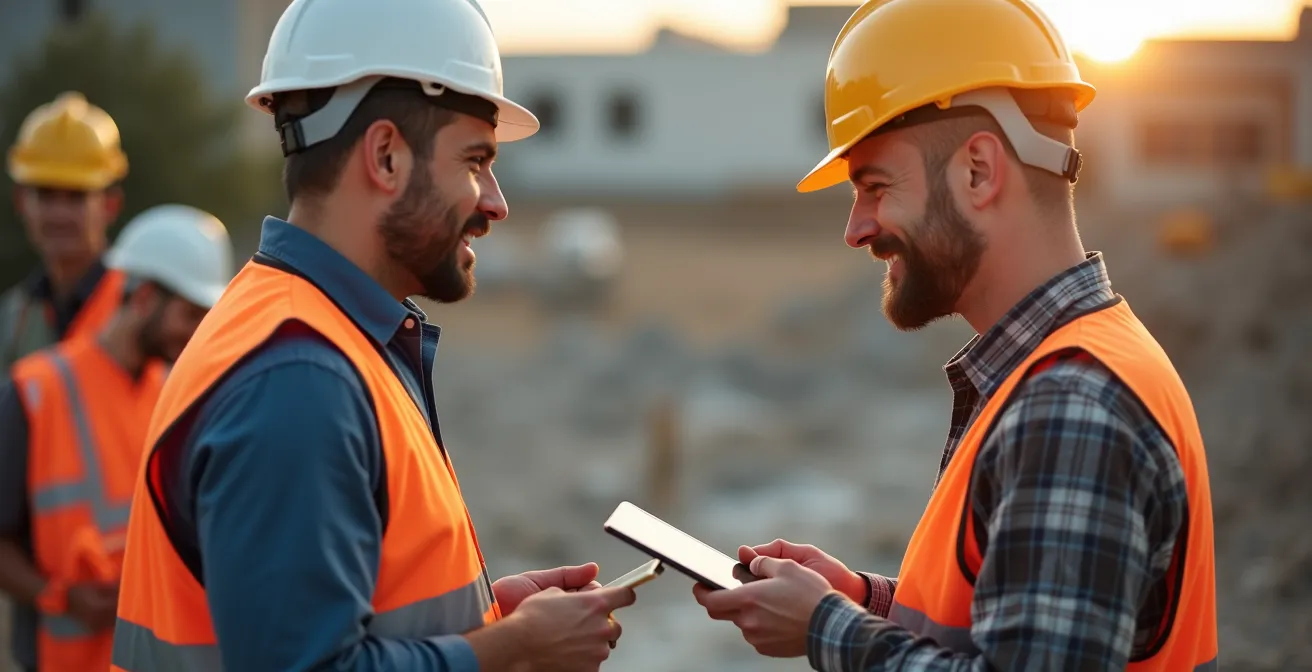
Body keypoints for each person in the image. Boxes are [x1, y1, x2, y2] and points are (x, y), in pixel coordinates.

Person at [692, 0, 1218, 670]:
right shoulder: (1071, 369)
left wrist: (827, 626)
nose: (856, 228)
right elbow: (1001, 630)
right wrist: (860, 600)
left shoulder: (1069, 406)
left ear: (978, 171)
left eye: (875, 187)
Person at [110, 1, 635, 671]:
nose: (496, 202)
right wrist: (515, 646)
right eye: (476, 161)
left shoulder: (307, 331)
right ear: (385, 156)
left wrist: (486, 615)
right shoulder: (298, 380)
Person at [0, 204, 233, 672]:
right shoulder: (33, 392)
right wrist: (59, 598)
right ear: (144, 298)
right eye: (190, 315)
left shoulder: (176, 393)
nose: (196, 335)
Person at [1, 92, 131, 373]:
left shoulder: (138, 308)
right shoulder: (13, 321)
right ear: (21, 202)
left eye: (76, 197)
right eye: (46, 195)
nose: (60, 214)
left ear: (110, 205)